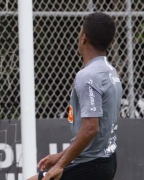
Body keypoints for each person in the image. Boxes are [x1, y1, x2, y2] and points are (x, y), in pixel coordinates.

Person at [28, 12, 122, 180]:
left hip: (90, 166)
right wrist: (61, 156)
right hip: (106, 161)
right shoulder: (110, 71)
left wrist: (60, 165)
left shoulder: (88, 76)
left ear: (83, 38)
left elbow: (91, 128)